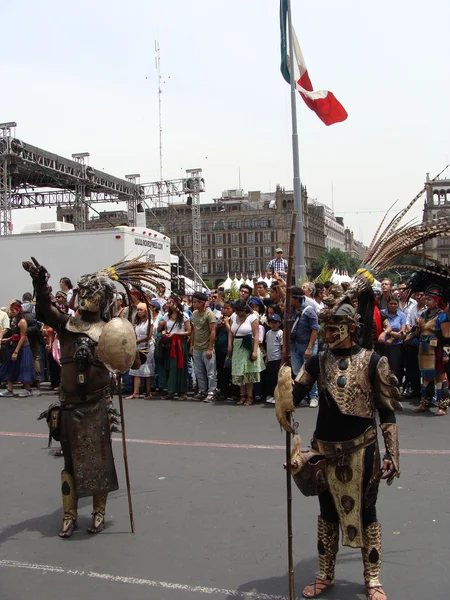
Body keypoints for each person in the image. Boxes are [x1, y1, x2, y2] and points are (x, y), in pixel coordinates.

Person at [22, 255, 159, 537]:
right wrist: (41, 284)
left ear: (104, 298)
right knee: (70, 464)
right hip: (70, 406)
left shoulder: (110, 330)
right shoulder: (67, 324)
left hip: (97, 406)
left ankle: (99, 512)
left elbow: (131, 360)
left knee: (100, 461)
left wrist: (130, 351)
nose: (85, 298)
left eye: (91, 294)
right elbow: (46, 310)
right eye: (82, 293)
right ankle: (69, 514)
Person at [277, 290, 400, 600]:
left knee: (367, 512)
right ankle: (325, 573)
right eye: (326, 329)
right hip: (325, 450)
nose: (328, 335)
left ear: (350, 328)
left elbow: (386, 412)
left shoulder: (373, 362)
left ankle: (372, 578)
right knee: (327, 513)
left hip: (362, 449)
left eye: (334, 329)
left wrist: (392, 454)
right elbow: (298, 394)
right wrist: (284, 387)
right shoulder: (319, 361)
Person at [226, 299, 265, 405]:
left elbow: (256, 334)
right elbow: (230, 332)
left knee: (248, 372)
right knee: (239, 371)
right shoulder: (234, 316)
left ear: (244, 309)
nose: (237, 313)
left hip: (248, 345)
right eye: (236, 311)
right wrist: (230, 344)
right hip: (237, 345)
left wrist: (255, 351)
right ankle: (242, 395)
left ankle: (250, 396)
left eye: (239, 311)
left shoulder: (252, 318)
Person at [158, 293, 191, 400]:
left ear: (177, 303)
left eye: (171, 302)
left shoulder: (184, 316)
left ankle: (183, 392)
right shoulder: (166, 316)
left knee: (181, 366)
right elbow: (162, 328)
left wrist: (176, 334)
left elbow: (188, 331)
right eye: (168, 302)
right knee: (171, 367)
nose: (169, 304)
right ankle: (171, 390)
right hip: (169, 343)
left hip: (180, 343)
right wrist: (163, 331)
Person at [290, 287, 320, 407]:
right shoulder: (290, 310)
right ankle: (301, 396)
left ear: (297, 298)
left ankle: (313, 396)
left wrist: (310, 347)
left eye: (291, 297)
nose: (288, 300)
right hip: (294, 345)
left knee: (309, 372)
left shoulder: (309, 310)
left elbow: (314, 330)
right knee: (298, 372)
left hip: (307, 344)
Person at [0, 302, 36, 397]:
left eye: (13, 310)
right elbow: (15, 335)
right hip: (15, 346)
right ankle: (9, 389)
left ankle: (28, 389)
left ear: (18, 311)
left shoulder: (22, 322)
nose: (11, 312)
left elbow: (23, 337)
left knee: (23, 368)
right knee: (10, 367)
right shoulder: (14, 321)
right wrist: (7, 340)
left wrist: (16, 351)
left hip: (22, 348)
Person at [190, 291, 217, 402]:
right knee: (199, 371)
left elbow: (213, 331)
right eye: (193, 302)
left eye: (196, 302)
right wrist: (191, 345)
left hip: (207, 347)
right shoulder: (195, 314)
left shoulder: (209, 314)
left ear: (202, 303)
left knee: (210, 372)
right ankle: (202, 390)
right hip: (197, 347)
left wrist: (210, 348)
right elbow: (193, 331)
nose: (194, 304)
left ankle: (212, 391)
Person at [126, 303, 154, 400]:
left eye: (140, 310)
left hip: (147, 346)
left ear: (146, 311)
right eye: (137, 310)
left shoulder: (149, 322)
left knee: (147, 369)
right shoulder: (137, 322)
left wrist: (137, 341)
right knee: (136, 368)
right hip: (137, 346)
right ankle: (135, 392)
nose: (138, 312)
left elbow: (149, 336)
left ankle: (148, 392)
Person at [378, 296, 406, 387]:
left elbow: (402, 331)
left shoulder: (402, 315)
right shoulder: (382, 313)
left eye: (395, 304)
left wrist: (391, 338)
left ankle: (395, 389)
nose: (393, 306)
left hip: (396, 345)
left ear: (398, 305)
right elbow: (382, 328)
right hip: (383, 345)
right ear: (387, 304)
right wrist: (394, 334)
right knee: (383, 368)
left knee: (395, 368)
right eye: (391, 303)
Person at [215, 301, 234, 401]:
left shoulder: (234, 319)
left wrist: (227, 324)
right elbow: (215, 332)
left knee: (229, 371)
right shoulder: (220, 319)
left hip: (229, 348)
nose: (225, 310)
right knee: (221, 371)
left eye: (228, 308)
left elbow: (232, 332)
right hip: (219, 348)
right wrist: (219, 326)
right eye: (224, 308)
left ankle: (231, 391)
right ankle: (223, 391)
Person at [264, 314, 283, 404]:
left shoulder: (280, 333)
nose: (273, 325)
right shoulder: (268, 333)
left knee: (277, 378)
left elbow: (282, 347)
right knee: (271, 378)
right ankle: (271, 394)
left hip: (277, 358)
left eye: (275, 323)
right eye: (271, 323)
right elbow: (268, 346)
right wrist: (267, 358)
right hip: (270, 359)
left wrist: (282, 361)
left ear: (279, 323)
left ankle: (277, 396)